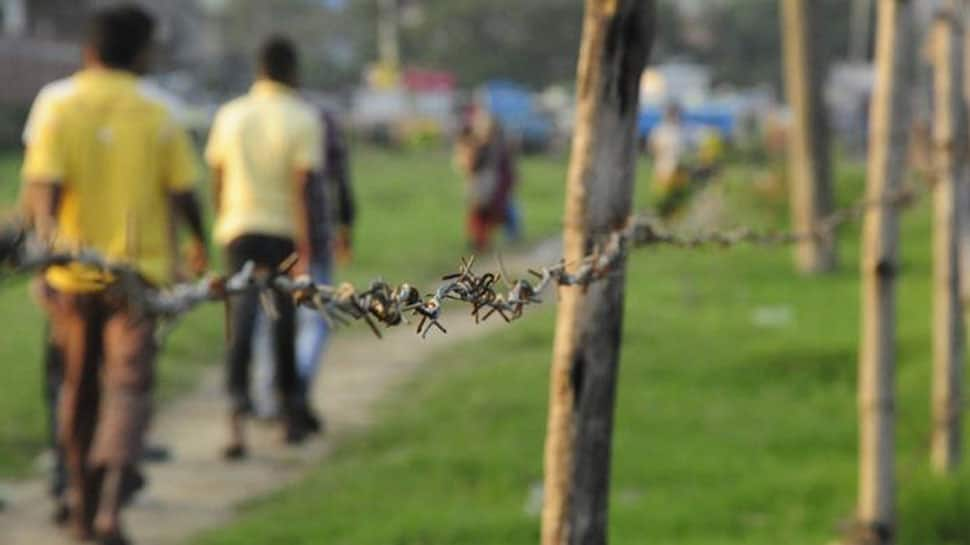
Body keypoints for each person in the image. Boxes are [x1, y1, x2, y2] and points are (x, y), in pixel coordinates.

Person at [20, 5, 208, 543]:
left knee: (78, 391)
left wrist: (45, 258)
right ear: (143, 53)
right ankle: (109, 508)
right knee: (128, 389)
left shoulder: (58, 105)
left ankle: (79, 505)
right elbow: (182, 191)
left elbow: (45, 191)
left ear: (89, 49)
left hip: (73, 275)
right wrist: (197, 242)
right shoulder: (158, 112)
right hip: (138, 278)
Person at [205, 36, 321, 458]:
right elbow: (302, 186)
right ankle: (287, 415)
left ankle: (235, 421)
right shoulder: (302, 117)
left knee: (241, 321)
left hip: (237, 228)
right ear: (292, 71)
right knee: (283, 320)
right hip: (283, 231)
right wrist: (305, 246)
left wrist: (221, 220)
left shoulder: (230, 114)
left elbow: (217, 176)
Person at [251, 109, 355, 431]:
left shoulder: (251, 118)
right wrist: (344, 226)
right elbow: (335, 182)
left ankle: (271, 397)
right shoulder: (318, 121)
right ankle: (295, 392)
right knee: (314, 321)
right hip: (311, 239)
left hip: (264, 236)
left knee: (270, 319)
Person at [454, 109, 518, 252]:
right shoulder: (481, 146)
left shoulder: (494, 147)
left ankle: (484, 242)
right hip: (483, 186)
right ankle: (481, 242)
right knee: (482, 215)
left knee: (489, 215)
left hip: (490, 186)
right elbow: (468, 165)